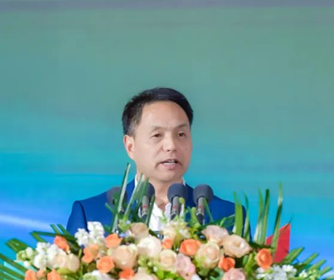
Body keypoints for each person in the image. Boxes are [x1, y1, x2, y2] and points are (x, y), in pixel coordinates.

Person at [66, 87, 237, 233]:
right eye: (157, 135)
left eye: (181, 134)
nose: (171, 146)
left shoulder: (228, 216)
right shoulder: (90, 214)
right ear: (130, 146)